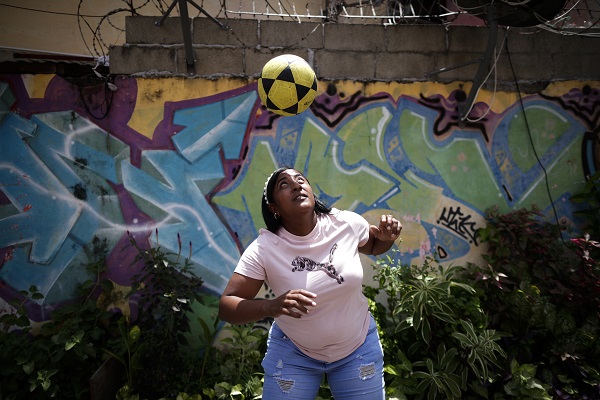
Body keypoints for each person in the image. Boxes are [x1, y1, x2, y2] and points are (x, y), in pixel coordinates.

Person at [218, 167, 402, 399]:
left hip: (357, 348)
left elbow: (374, 245)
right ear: (273, 208)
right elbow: (227, 306)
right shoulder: (265, 248)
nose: (296, 185)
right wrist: (271, 306)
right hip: (294, 354)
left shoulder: (345, 223)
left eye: (300, 180)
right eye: (284, 185)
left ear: (312, 193)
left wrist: (386, 239)